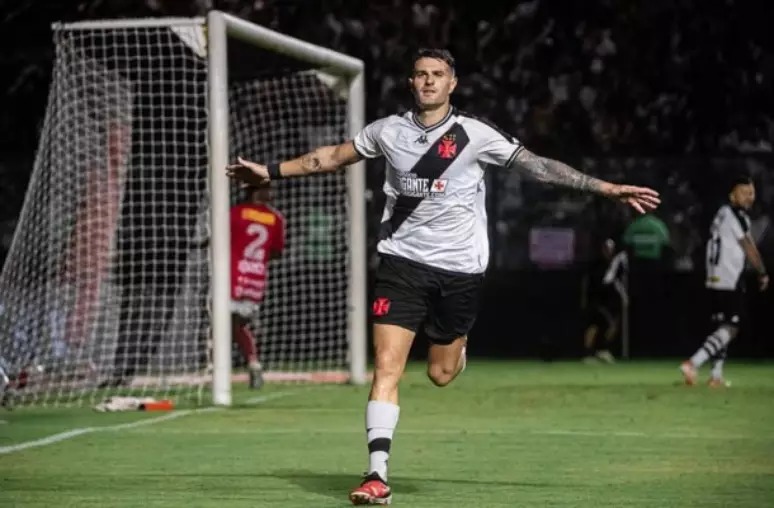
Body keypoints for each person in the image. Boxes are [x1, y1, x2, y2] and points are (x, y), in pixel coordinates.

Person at [226, 48, 660, 505]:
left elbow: (539, 166)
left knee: (440, 373)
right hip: (401, 263)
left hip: (460, 270)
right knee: (387, 369)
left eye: (438, 75)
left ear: (452, 83)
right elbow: (332, 156)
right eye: (421, 75)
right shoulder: (387, 131)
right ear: (411, 83)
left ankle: (457, 347)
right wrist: (269, 170)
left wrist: (606, 188)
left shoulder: (474, 134)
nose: (429, 81)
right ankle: (377, 475)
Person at [680, 175, 768, 387]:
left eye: (752, 193)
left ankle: (716, 375)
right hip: (728, 276)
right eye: (745, 192)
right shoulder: (734, 215)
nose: (750, 197)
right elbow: (749, 247)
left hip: (715, 276)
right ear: (732, 194)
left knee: (722, 326)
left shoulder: (722, 213)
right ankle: (694, 362)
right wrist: (762, 272)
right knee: (732, 326)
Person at [230, 184, 285, 389]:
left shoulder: (235, 213)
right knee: (238, 325)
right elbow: (277, 251)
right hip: (254, 279)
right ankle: (253, 363)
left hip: (230, 277)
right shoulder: (275, 218)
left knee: (223, 322)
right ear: (257, 191)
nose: (272, 192)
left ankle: (217, 366)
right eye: (267, 188)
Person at [581, 238, 628, 364]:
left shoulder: (615, 265)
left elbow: (617, 282)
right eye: (606, 249)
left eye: (611, 249)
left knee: (610, 326)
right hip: (595, 300)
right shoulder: (597, 265)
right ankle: (588, 353)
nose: (608, 252)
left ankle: (601, 350)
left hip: (608, 301)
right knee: (594, 326)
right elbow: (603, 281)